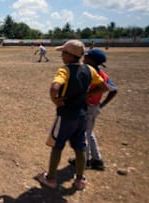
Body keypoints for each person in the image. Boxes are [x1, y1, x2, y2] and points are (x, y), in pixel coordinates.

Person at [34, 40, 109, 190]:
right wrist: (87, 94)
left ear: (69, 55)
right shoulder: (89, 69)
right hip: (82, 115)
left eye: (63, 52)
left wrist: (56, 101)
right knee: (80, 147)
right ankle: (80, 180)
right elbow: (104, 87)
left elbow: (55, 87)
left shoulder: (65, 70)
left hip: (66, 115)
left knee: (57, 146)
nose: (61, 55)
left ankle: (50, 178)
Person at [69, 49, 118, 170]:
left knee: (82, 133)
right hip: (94, 107)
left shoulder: (90, 73)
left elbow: (107, 89)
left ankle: (85, 160)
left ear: (91, 60)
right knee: (89, 132)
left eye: (86, 56)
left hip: (88, 107)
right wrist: (102, 104)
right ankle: (97, 160)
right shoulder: (102, 74)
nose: (84, 58)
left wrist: (88, 95)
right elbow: (113, 89)